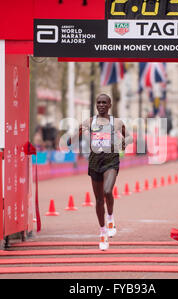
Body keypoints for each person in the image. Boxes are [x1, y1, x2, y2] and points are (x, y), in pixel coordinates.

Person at [68, 94, 132, 250]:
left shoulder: (116, 122)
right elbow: (71, 140)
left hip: (111, 159)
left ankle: (110, 217)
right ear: (96, 105)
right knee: (98, 200)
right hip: (95, 160)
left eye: (104, 102)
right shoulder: (89, 122)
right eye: (99, 103)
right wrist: (76, 135)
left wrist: (124, 142)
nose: (101, 105)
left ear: (109, 104)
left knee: (107, 190)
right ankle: (103, 231)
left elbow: (129, 138)